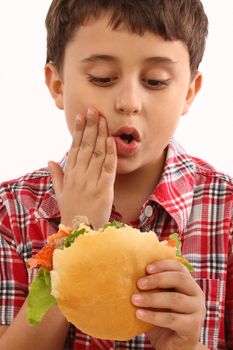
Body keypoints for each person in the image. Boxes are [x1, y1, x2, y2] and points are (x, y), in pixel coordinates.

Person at [0, 0, 232, 349]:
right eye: (103, 78)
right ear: (58, 84)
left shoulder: (225, 214)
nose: (129, 101)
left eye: (155, 81)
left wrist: (184, 345)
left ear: (188, 92)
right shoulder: (12, 212)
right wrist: (72, 239)